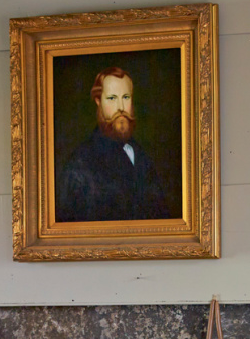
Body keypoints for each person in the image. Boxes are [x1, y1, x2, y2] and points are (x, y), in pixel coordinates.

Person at [55, 66, 173, 223]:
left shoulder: (140, 155)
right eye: (112, 98)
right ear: (98, 101)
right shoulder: (79, 165)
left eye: (125, 97)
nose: (121, 108)